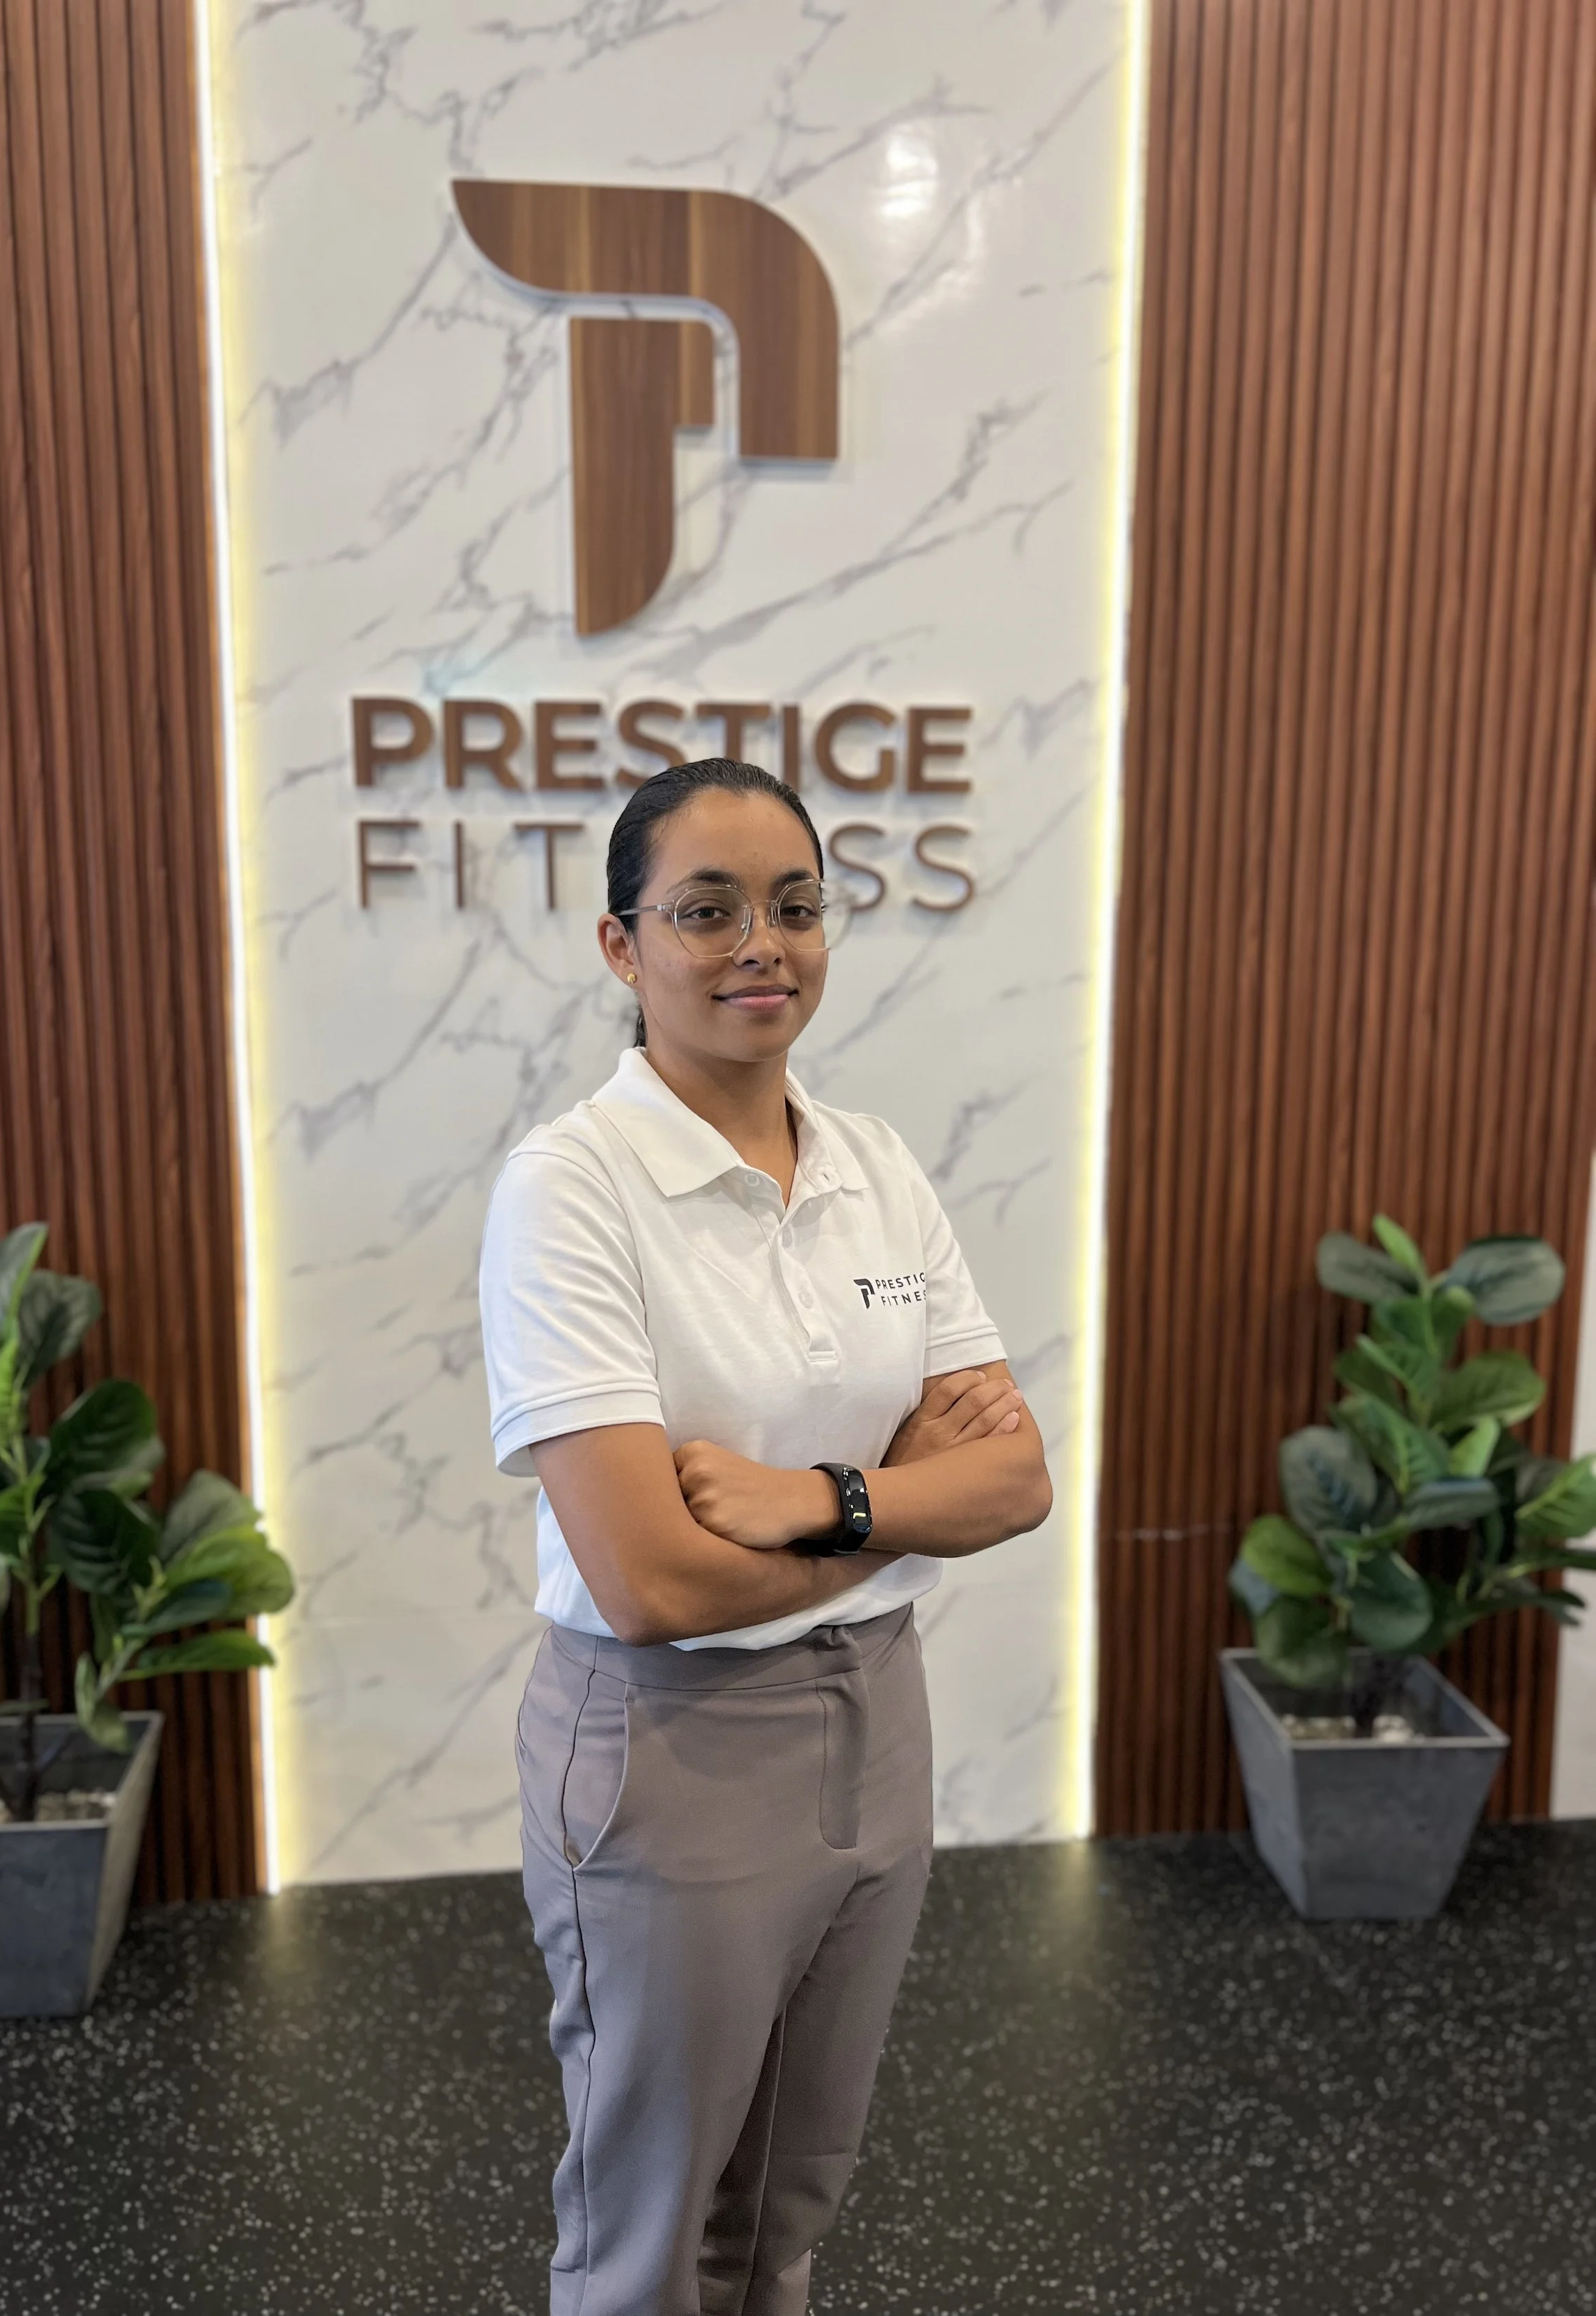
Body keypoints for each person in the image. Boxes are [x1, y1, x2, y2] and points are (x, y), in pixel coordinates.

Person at [479, 758, 1053, 2316]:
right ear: (622, 945)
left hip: (876, 1715)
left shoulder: (875, 1163)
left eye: (796, 906)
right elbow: (651, 1579)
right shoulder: (570, 1189)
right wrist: (906, 1503)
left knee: (789, 2199)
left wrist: (820, 1500)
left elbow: (1014, 1479)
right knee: (657, 2222)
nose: (762, 945)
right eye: (707, 910)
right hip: (671, 1746)